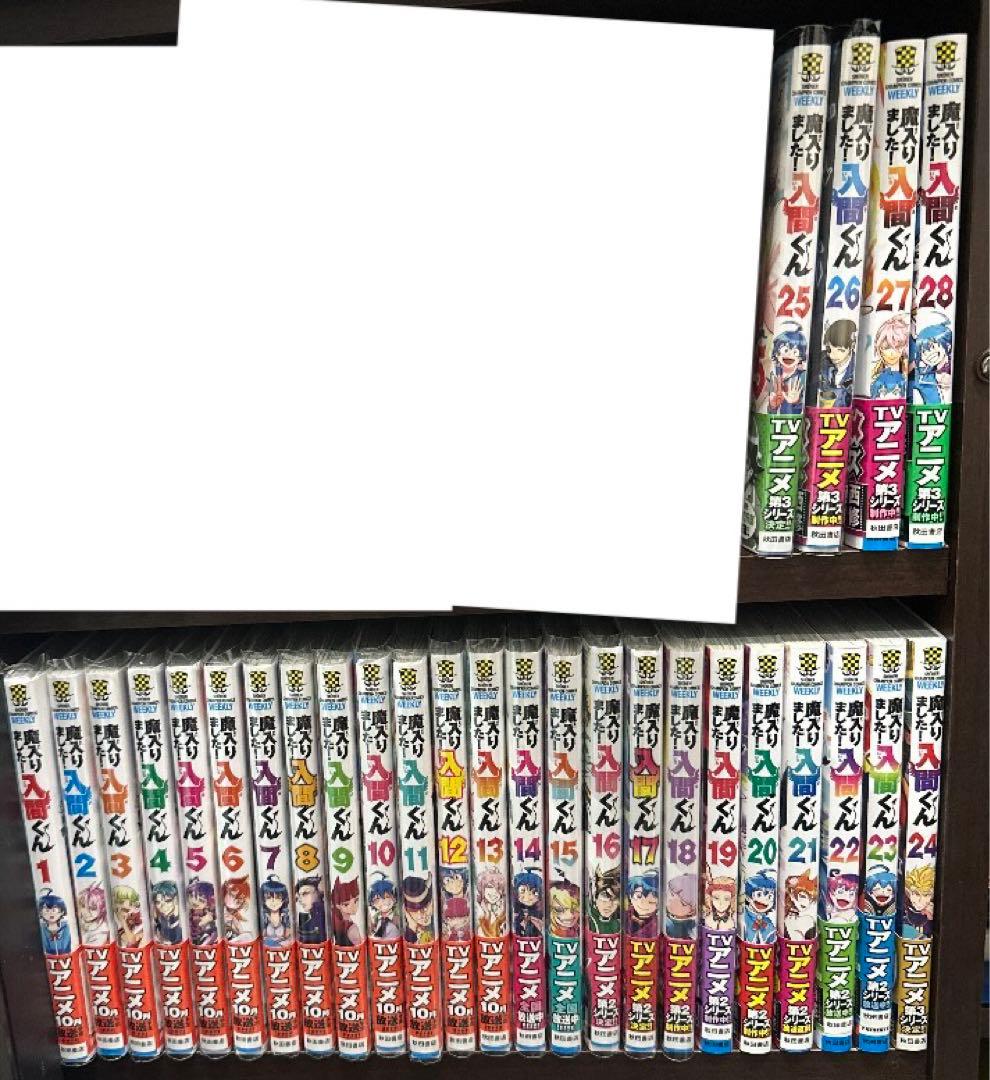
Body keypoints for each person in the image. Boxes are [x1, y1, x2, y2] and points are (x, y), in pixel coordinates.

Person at [769, 326, 808, 415]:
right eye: (785, 350)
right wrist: (772, 406)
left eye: (795, 352)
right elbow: (769, 410)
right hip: (774, 421)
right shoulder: (773, 375)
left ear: (801, 357)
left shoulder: (803, 376)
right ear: (777, 353)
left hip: (793, 420)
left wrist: (795, 402)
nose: (789, 354)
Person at [870, 316, 909, 399]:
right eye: (887, 348)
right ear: (880, 347)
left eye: (898, 347)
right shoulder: (876, 375)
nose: (892, 353)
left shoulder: (906, 371)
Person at [820, 318, 857, 407]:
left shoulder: (858, 367)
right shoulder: (821, 361)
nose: (833, 355)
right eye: (829, 349)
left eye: (840, 350)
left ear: (852, 346)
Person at [742, 871, 776, 943]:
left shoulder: (770, 925)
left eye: (770, 896)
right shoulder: (743, 917)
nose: (764, 900)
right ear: (748, 897)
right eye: (759, 895)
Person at [783, 869, 817, 940]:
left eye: (810, 899)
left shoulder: (808, 920)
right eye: (802, 896)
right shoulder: (786, 915)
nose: (806, 902)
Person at [902, 866, 935, 938]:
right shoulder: (903, 905)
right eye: (916, 894)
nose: (921, 900)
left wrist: (931, 918)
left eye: (926, 895)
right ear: (908, 892)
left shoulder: (931, 909)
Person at [402, 874, 435, 944]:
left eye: (425, 907)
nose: (421, 915)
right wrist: (412, 926)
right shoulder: (409, 930)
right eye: (414, 911)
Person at [588, 864, 621, 934]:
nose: (609, 905)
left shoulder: (620, 920)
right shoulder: (588, 915)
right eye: (604, 898)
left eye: (614, 900)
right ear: (595, 898)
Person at [260, 875, 292, 946]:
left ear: (283, 900)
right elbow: (263, 935)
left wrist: (280, 941)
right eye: (268, 897)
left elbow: (287, 935)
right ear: (264, 900)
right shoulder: (265, 917)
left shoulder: (284, 916)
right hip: (268, 946)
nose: (273, 901)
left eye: (278, 898)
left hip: (282, 945)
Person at [664, 873, 698, 939]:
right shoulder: (663, 918)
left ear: (691, 911)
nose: (671, 900)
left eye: (683, 903)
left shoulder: (692, 925)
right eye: (671, 894)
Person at [625, 872, 659, 937]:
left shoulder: (657, 922)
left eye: (651, 902)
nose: (642, 903)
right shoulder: (628, 912)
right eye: (638, 896)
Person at [367, 874, 401, 940]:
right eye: (377, 899)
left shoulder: (396, 917)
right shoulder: (377, 917)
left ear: (394, 898)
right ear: (372, 903)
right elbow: (373, 929)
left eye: (387, 897)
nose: (383, 902)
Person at [475, 868, 507, 938]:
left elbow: (495, 934)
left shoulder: (503, 909)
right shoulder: (480, 909)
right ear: (482, 888)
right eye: (489, 887)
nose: (494, 892)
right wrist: (487, 913)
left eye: (498, 888)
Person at [331, 877, 362, 946]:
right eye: (346, 904)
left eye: (356, 901)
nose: (353, 907)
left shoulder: (337, 923)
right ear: (338, 905)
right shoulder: (352, 929)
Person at [512, 870, 543, 937]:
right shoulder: (515, 912)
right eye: (522, 891)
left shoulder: (539, 914)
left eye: (534, 892)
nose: (527, 897)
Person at [295, 876, 326, 944]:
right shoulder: (305, 926)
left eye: (305, 893)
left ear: (319, 892)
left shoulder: (328, 919)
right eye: (299, 895)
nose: (300, 900)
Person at [187, 878, 218, 945]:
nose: (194, 901)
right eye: (191, 896)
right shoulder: (191, 914)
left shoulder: (209, 917)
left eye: (201, 899)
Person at [221, 876, 252, 943]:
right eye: (232, 896)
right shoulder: (221, 911)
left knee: (247, 936)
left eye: (240, 899)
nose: (234, 900)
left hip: (233, 939)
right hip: (224, 940)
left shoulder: (236, 916)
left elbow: (241, 932)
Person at [151, 880, 183, 945]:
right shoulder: (162, 920)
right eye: (158, 902)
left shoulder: (183, 920)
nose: (162, 906)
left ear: (175, 900)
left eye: (167, 901)